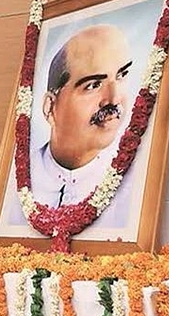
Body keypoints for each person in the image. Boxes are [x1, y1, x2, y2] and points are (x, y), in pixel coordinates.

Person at [30, 24, 134, 228]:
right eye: (93, 85)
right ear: (50, 107)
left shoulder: (135, 185)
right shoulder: (22, 181)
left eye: (121, 76)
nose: (113, 99)